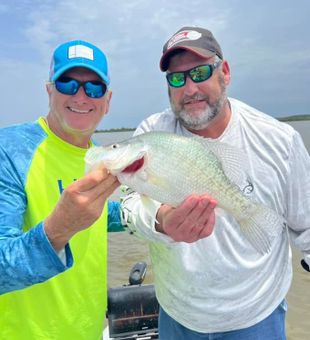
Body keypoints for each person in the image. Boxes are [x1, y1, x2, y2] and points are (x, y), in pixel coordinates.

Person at [121, 26, 310, 339]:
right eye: (177, 78)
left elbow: (306, 224)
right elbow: (129, 205)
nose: (190, 87)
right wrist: (161, 221)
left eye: (200, 72)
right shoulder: (151, 134)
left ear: (225, 71)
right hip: (178, 315)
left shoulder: (280, 140)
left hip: (257, 315)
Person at [0, 40, 121, 339]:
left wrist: (155, 218)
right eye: (68, 84)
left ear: (107, 100)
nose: (81, 96)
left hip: (89, 329)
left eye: (94, 88)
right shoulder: (10, 150)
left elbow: (95, 214)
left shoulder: (101, 156)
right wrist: (56, 231)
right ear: (49, 89)